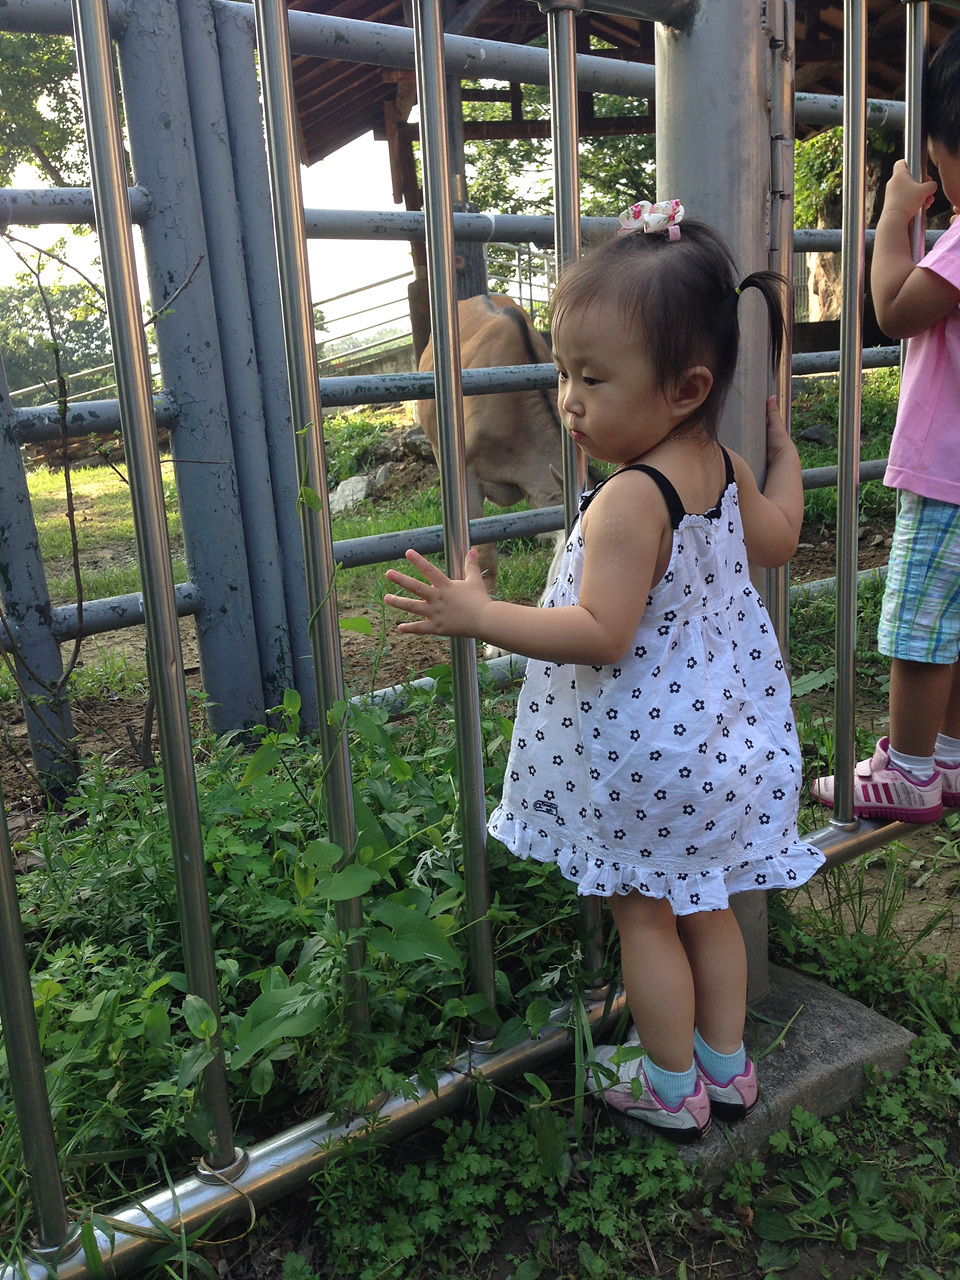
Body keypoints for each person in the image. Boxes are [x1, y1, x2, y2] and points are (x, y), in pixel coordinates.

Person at [384, 203, 824, 1141]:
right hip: (721, 740)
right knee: (709, 907)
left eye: (592, 378)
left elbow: (600, 632)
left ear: (685, 387)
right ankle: (725, 1066)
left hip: (647, 759)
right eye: (562, 372)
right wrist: (783, 458)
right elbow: (781, 538)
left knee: (645, 917)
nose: (569, 401)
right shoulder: (720, 465)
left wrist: (480, 616)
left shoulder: (630, 497)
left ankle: (669, 1087)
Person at [812, 28, 960, 824]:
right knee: (954, 621)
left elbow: (895, 309)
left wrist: (894, 214)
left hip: (946, 472)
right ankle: (950, 756)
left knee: (917, 623)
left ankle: (907, 769)